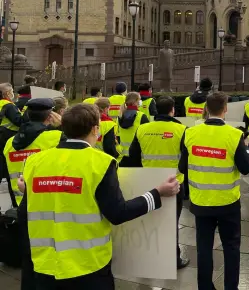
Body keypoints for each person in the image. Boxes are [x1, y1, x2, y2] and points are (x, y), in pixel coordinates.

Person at [18, 103, 179, 289]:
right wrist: (157, 194)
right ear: (95, 129)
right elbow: (118, 213)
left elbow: (26, 213)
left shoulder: (35, 162)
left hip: (45, 264)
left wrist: (27, 192)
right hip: (88, 266)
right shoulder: (101, 163)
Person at [179, 92, 249, 290]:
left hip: (200, 201)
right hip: (227, 202)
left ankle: (204, 287)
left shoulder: (190, 133)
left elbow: (182, 166)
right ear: (225, 109)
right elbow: (246, 168)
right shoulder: (234, 135)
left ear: (206, 109)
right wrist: (245, 148)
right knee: (231, 247)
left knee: (203, 248)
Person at [129, 96, 190, 269]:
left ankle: (146, 256)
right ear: (173, 110)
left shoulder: (142, 129)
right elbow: (186, 160)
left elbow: (133, 155)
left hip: (149, 182)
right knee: (172, 223)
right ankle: (174, 259)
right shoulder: (181, 129)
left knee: (148, 220)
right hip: (174, 184)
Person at [3, 99, 63, 207]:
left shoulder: (10, 143)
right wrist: (62, 124)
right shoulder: (56, 137)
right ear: (50, 117)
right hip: (46, 201)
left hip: (19, 201)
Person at [117, 91, 149, 166]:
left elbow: (117, 136)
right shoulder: (141, 116)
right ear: (135, 102)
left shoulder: (120, 116)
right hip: (137, 155)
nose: (140, 102)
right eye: (139, 100)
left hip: (123, 156)